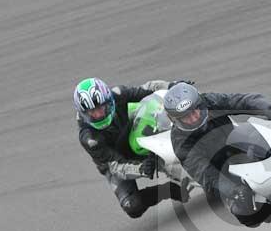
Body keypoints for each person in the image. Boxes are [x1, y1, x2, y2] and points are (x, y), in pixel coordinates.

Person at [164, 82, 271, 231]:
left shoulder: (209, 101)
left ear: (199, 103)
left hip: (240, 144)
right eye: (186, 117)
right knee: (244, 212)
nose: (194, 118)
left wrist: (270, 110)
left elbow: (241, 101)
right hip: (224, 171)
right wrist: (232, 190)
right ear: (176, 120)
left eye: (195, 110)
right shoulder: (180, 141)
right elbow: (203, 172)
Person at [74, 77, 190, 218]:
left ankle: (191, 138)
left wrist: (173, 86)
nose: (99, 115)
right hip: (115, 161)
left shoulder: (118, 94)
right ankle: (168, 190)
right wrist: (141, 168)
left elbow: (147, 88)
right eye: (92, 112)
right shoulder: (89, 138)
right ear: (84, 113)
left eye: (100, 108)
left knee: (152, 108)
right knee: (132, 206)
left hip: (132, 133)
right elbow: (115, 166)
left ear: (108, 101)